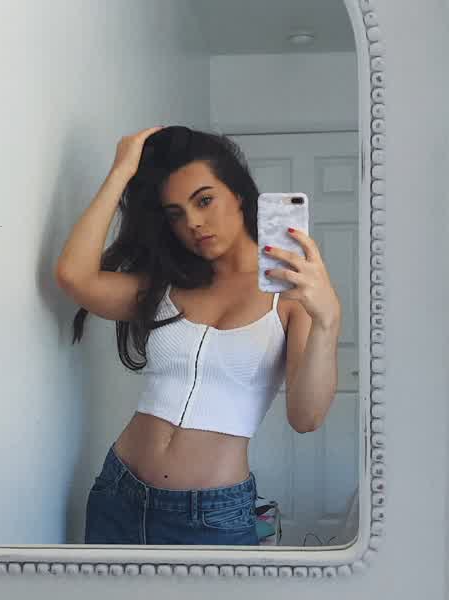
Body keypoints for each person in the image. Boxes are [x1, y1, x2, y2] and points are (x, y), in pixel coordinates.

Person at [54, 125, 342, 546]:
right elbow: (73, 276)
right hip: (119, 494)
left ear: (239, 195)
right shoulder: (165, 286)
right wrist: (121, 172)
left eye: (204, 200)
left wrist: (328, 319)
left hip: (212, 517)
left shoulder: (292, 297)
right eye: (175, 213)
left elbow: (307, 418)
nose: (192, 222)